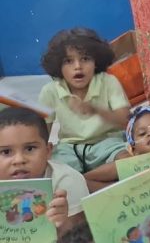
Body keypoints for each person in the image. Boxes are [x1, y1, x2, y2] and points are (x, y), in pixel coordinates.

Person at [0, 108, 89, 243]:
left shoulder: (66, 180)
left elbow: (80, 241)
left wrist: (63, 222)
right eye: (6, 152)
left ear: (48, 150)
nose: (19, 160)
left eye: (30, 148)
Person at [38, 28, 130, 174]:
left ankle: (83, 180)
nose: (77, 66)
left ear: (96, 62)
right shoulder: (50, 91)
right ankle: (94, 181)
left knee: (128, 161)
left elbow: (125, 119)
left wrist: (96, 111)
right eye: (68, 61)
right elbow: (43, 130)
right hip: (69, 148)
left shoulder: (108, 82)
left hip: (107, 143)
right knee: (52, 170)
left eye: (85, 59)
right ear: (58, 66)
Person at [83, 106, 150, 191]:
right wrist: (124, 191)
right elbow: (85, 180)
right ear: (133, 150)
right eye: (142, 133)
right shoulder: (130, 164)